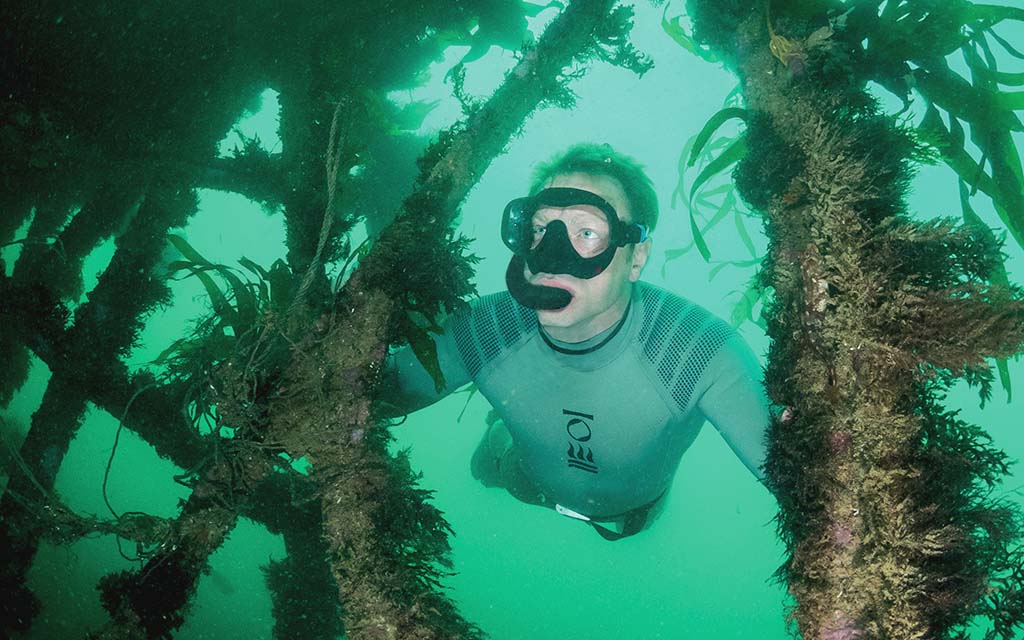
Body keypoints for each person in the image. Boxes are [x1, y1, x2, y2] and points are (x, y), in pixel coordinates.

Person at [382, 143, 772, 541]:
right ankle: (499, 431)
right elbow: (361, 397)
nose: (552, 257)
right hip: (522, 478)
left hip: (632, 517)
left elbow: (803, 482)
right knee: (482, 469)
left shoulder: (696, 351)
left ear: (636, 257)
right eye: (540, 229)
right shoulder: (484, 329)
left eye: (587, 233)